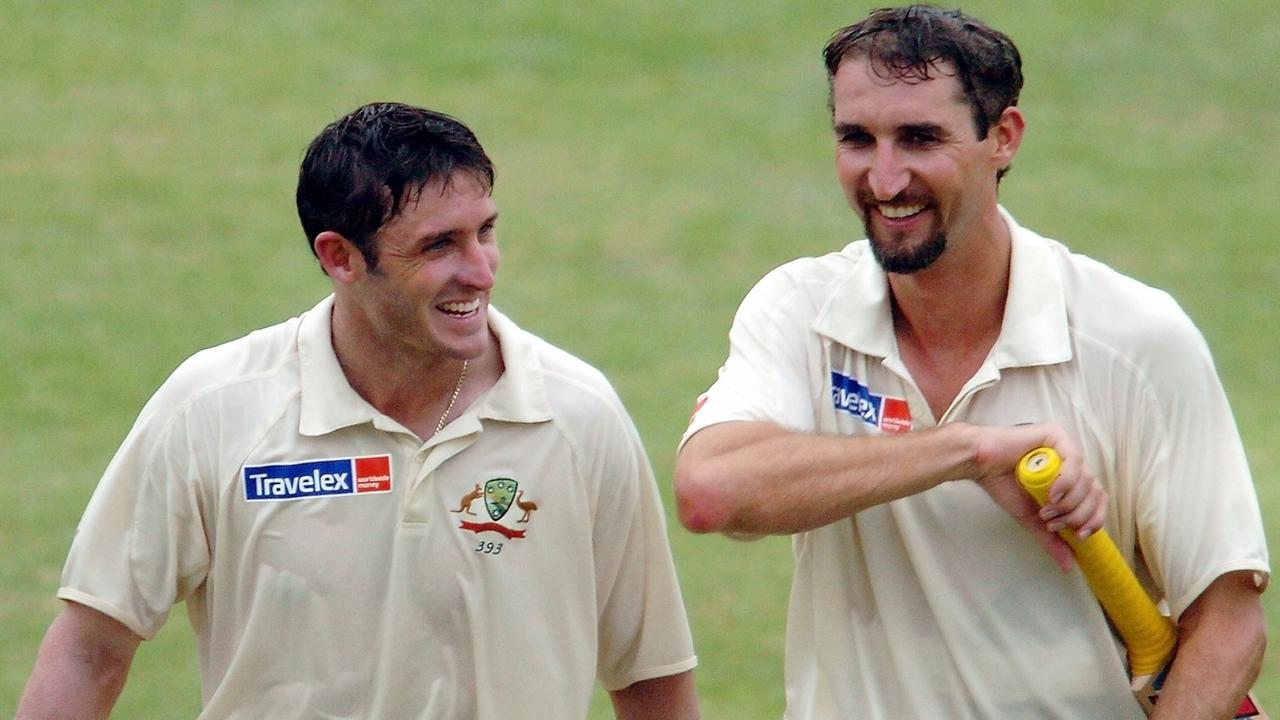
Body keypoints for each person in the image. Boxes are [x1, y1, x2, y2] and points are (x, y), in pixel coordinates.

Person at [674, 5, 1268, 719]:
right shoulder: (799, 312)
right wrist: (972, 451)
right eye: (857, 139)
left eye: (920, 139)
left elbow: (1229, 624)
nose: (885, 180)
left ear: (1004, 138)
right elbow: (711, 491)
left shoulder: (1138, 340)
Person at [18, 102, 699, 719]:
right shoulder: (213, 409)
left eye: (484, 232)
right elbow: (90, 651)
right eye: (440, 245)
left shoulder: (577, 417)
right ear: (340, 258)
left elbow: (650, 680)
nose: (482, 270)